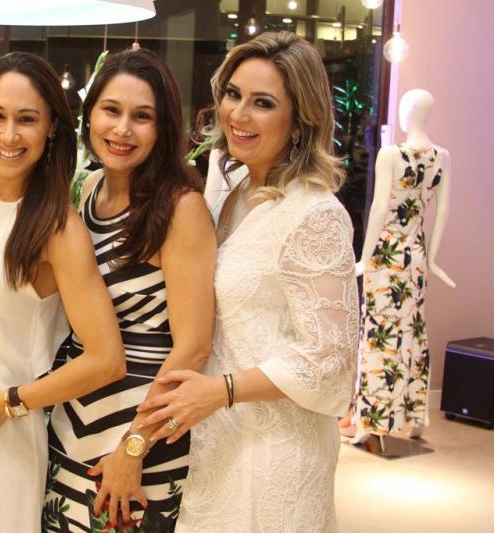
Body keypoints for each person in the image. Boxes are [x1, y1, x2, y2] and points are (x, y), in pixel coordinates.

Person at [137, 31, 359, 532]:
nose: (238, 114)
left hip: (278, 452)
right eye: (233, 95)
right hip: (219, 439)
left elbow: (330, 357)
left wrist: (223, 390)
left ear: (299, 121)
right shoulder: (229, 191)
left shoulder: (315, 214)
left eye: (263, 103)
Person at [0, 52, 125, 533]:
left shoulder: (58, 229)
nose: (9, 135)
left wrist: (6, 405)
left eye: (27, 120)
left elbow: (106, 358)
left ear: (51, 127)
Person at [42, 49, 216, 533]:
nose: (122, 129)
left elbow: (193, 348)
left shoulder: (180, 208)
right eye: (111, 110)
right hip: (72, 421)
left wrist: (134, 447)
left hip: (141, 436)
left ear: (163, 128)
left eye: (142, 117)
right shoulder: (86, 189)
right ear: (90, 114)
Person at [344, 88, 454, 441]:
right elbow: (442, 211)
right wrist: (432, 259)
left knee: (380, 334)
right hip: (416, 254)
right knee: (412, 332)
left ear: (407, 113)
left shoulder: (392, 154)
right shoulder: (442, 157)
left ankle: (370, 421)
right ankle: (414, 415)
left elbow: (380, 208)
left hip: (387, 252)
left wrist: (364, 259)